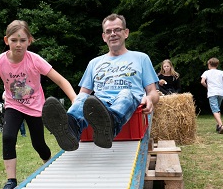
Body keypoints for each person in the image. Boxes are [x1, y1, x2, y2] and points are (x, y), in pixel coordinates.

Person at [0, 20, 76, 189]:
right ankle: (11, 181)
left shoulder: (35, 60)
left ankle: (48, 164)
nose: (18, 44)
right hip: (13, 105)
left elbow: (60, 80)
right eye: (14, 40)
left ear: (29, 41)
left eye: (23, 40)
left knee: (38, 143)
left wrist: (74, 99)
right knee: (8, 136)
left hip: (35, 107)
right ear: (6, 40)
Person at [42, 13, 159, 151]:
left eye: (117, 30)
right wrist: (75, 106)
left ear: (126, 33)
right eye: (108, 31)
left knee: (125, 93)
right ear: (104, 37)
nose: (113, 34)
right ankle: (70, 129)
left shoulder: (141, 58)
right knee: (85, 98)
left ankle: (110, 126)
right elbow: (82, 95)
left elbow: (153, 92)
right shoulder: (94, 63)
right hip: (98, 107)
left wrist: (150, 98)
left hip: (127, 101)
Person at [200, 58, 223, 134]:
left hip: (212, 93)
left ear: (209, 65)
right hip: (221, 92)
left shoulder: (206, 72)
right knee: (217, 109)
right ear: (217, 65)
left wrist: (207, 86)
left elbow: (202, 82)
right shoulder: (221, 72)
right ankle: (218, 125)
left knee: (215, 109)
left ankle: (221, 125)